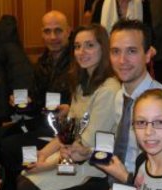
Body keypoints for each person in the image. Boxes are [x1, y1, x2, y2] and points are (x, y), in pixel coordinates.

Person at [16, 23, 121, 190]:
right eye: (78, 46)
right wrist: (43, 154)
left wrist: (47, 165)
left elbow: (85, 145)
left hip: (92, 165)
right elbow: (68, 132)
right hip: (71, 153)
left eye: (90, 45)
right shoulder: (81, 84)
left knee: (27, 184)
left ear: (104, 49)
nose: (81, 52)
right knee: (24, 174)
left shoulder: (108, 89)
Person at [97, 19, 162, 185]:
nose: (122, 60)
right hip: (115, 181)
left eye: (131, 51)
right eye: (115, 51)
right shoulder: (119, 97)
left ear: (148, 54)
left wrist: (127, 180)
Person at [0, 10, 72, 190]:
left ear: (69, 31)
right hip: (42, 122)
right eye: (47, 31)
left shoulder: (77, 63)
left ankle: (29, 179)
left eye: (58, 30)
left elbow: (81, 108)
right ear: (41, 33)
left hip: (60, 133)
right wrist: (22, 104)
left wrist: (69, 109)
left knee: (10, 147)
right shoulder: (43, 62)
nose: (52, 37)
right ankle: (22, 177)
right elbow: (37, 104)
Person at [0, 15, 34, 123]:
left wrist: (20, 110)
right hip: (19, 103)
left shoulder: (4, 50)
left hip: (19, 109)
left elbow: (19, 81)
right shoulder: (15, 49)